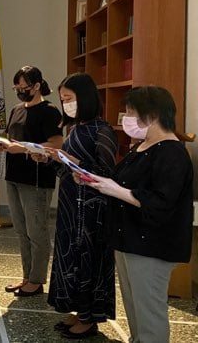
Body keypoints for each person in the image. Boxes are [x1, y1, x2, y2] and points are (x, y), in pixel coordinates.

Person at [81, 86, 193, 343]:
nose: (126, 118)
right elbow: (120, 182)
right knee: (135, 309)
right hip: (128, 240)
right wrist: (94, 180)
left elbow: (160, 202)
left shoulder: (172, 152)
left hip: (151, 245)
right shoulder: (142, 146)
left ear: (152, 114)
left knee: (149, 314)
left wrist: (115, 190)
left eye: (131, 112)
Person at [32, 73, 117, 338]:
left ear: (85, 97)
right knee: (70, 256)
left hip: (91, 210)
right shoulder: (75, 128)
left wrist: (78, 164)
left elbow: (108, 172)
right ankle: (77, 309)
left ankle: (89, 317)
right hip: (71, 205)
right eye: (62, 99)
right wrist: (48, 158)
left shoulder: (102, 130)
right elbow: (67, 170)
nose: (65, 104)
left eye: (69, 99)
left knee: (87, 259)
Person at [0, 66, 62, 297]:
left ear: (36, 86)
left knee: (37, 230)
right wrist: (2, 144)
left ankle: (37, 279)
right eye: (17, 88)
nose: (20, 91)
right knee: (21, 230)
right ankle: (26, 276)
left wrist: (19, 148)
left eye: (24, 87)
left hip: (36, 179)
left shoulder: (49, 111)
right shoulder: (16, 109)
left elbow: (56, 143)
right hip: (14, 175)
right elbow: (13, 138)